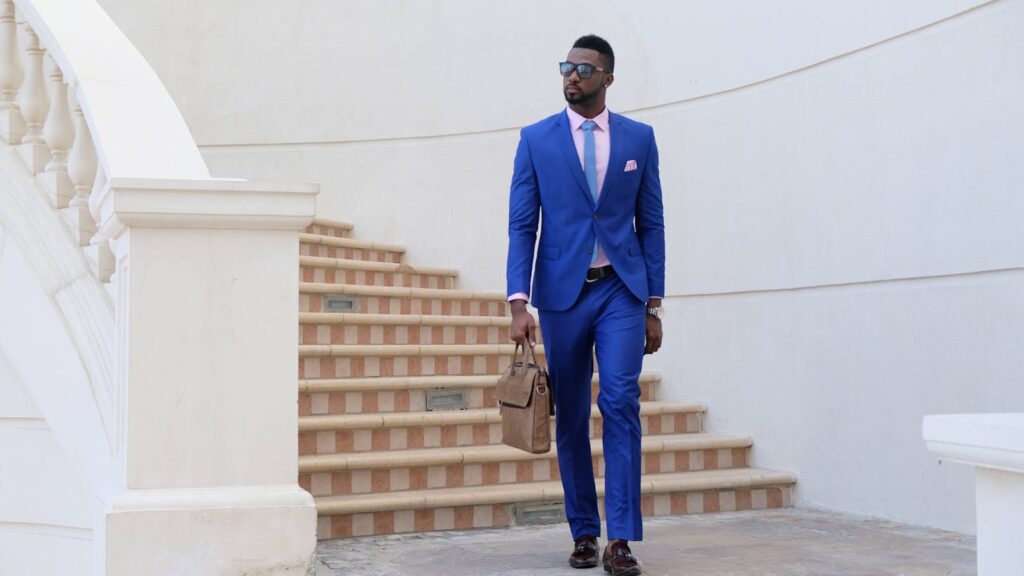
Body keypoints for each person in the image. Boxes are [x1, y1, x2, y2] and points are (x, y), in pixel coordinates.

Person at [505, 34, 665, 576]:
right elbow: (522, 224)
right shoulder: (536, 140)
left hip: (621, 288)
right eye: (567, 67)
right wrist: (518, 301)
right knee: (571, 415)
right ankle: (584, 531)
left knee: (620, 402)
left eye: (584, 69)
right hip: (562, 295)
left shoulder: (639, 140)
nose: (572, 76)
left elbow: (653, 222)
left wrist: (653, 303)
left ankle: (619, 538)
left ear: (607, 79)